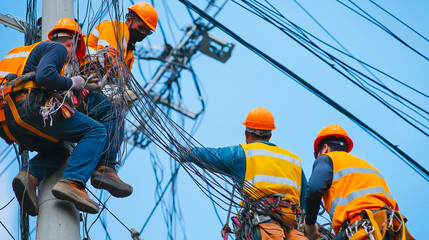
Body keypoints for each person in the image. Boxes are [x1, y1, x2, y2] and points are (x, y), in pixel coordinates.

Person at [0, 18, 108, 215]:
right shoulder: (58, 49)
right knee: (96, 130)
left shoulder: (16, 53)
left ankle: (29, 176)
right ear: (72, 41)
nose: (72, 59)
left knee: (62, 150)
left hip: (7, 121)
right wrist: (71, 83)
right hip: (29, 109)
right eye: (74, 53)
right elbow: (45, 77)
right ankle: (72, 182)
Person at [182, 107, 308, 240]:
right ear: (270, 135)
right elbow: (306, 199)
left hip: (265, 226)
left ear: (246, 134)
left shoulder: (243, 154)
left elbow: (214, 156)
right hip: (294, 225)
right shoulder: (294, 160)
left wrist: (188, 153)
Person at [79, 1, 159, 198]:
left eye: (147, 33)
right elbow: (107, 54)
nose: (142, 34)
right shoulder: (117, 27)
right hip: (82, 79)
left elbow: (117, 83)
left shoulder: (129, 54)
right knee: (113, 113)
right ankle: (105, 167)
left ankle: (93, 170)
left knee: (107, 122)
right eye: (141, 28)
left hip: (91, 89)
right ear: (129, 20)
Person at [304, 124, 414, 240]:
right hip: (392, 229)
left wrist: (310, 225)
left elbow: (314, 189)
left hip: (361, 230)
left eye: (317, 154)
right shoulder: (369, 167)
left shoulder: (327, 159)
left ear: (325, 148)